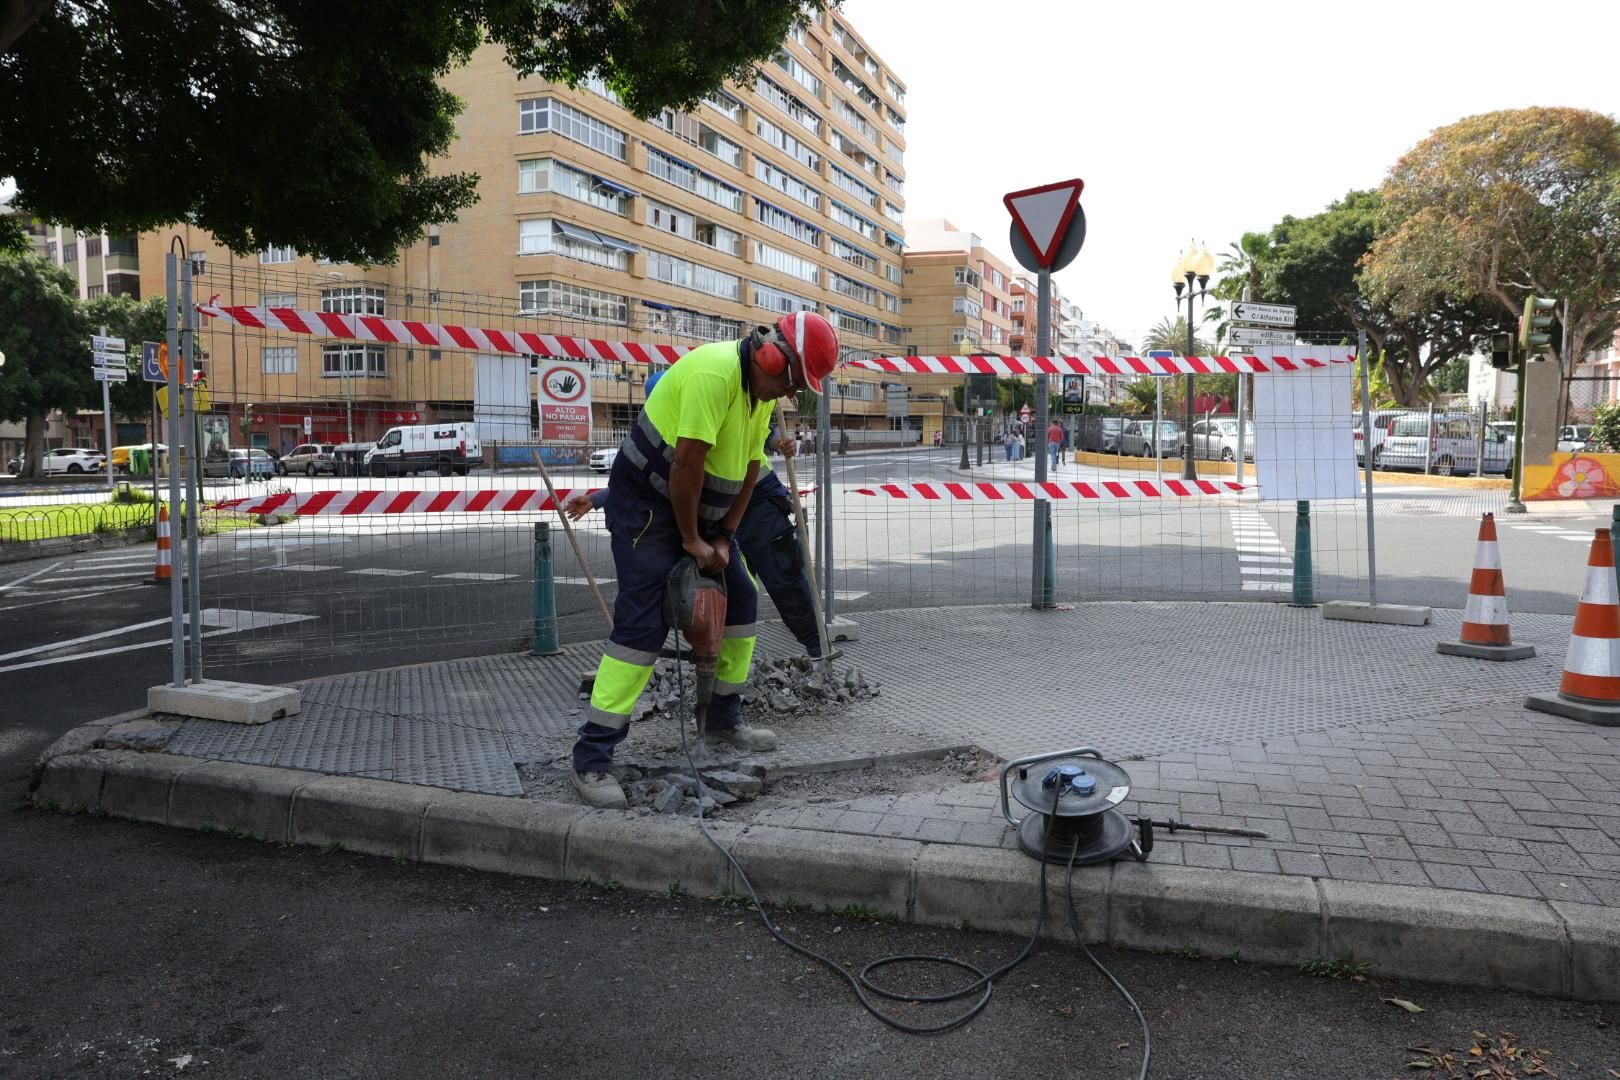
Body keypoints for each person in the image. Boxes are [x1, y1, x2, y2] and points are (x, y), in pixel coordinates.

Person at [569, 312, 839, 809]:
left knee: (741, 601)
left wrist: (726, 537)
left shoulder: (758, 392)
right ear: (770, 355)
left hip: (703, 514)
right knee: (642, 626)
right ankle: (593, 755)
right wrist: (694, 540)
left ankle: (720, 716)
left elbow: (749, 467)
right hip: (648, 507)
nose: (788, 394)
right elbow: (688, 463)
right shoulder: (713, 375)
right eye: (791, 381)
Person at [566, 423, 826, 661]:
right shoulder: (670, 429)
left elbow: (758, 427)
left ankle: (818, 649)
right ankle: (721, 665)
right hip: (716, 512)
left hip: (758, 503)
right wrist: (600, 498)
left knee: (784, 579)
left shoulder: (715, 400)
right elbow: (661, 476)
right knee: (725, 589)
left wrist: (778, 440)